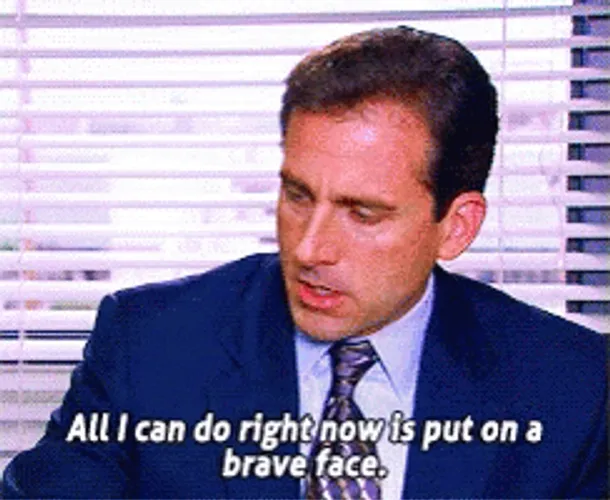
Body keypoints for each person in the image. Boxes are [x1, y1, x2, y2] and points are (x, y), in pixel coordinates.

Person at [3, 26, 607, 499]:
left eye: (362, 213)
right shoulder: (149, 344)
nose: (309, 249)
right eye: (298, 196)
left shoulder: (573, 389)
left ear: (456, 226)